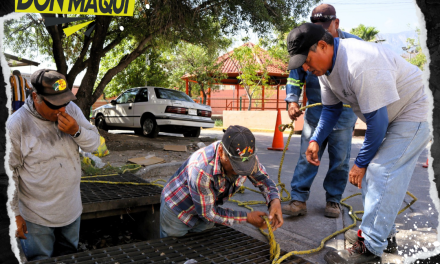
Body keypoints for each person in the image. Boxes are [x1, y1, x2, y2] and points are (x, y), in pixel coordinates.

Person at [286, 23, 430, 263]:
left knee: (380, 171)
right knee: (378, 174)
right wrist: (315, 139)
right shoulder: (324, 70)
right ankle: (383, 235)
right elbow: (331, 110)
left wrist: (360, 163)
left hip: (415, 110)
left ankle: (370, 249)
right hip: (393, 115)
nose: (305, 68)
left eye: (306, 60)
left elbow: (377, 121)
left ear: (323, 45)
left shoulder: (360, 62)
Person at [7, 69, 100, 261]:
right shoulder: (17, 124)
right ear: (36, 97)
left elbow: (95, 143)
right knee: (41, 259)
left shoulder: (72, 110)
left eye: (65, 102)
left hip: (71, 210)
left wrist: (77, 131)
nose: (62, 110)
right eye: (55, 105)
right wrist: (15, 214)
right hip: (36, 218)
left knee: (69, 257)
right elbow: (9, 173)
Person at [282, 4, 361, 218]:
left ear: (336, 23)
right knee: (307, 156)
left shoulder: (354, 46)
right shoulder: (307, 41)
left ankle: (333, 201)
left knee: (340, 160)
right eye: (316, 26)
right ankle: (298, 199)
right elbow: (295, 75)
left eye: (325, 27)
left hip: (344, 115)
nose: (321, 33)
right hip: (317, 113)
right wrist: (292, 100)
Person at [160, 125, 283, 238]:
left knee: (200, 248)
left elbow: (263, 179)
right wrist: (247, 218)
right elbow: (209, 214)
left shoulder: (245, 156)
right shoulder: (201, 169)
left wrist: (274, 200)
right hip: (178, 210)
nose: (240, 171)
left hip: (206, 209)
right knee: (174, 250)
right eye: (236, 165)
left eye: (244, 166)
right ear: (221, 152)